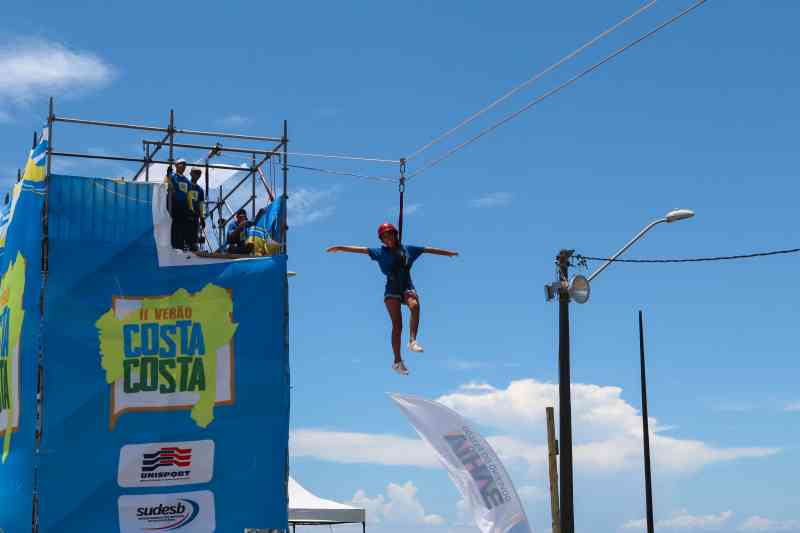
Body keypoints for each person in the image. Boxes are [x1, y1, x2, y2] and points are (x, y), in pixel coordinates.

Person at [326, 223, 458, 376]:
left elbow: (428, 249)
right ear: (381, 239)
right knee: (397, 325)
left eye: (390, 235)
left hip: (407, 285)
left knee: (414, 305)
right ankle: (397, 361)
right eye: (384, 236)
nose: (387, 238)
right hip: (392, 288)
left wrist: (448, 253)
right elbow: (361, 250)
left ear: (395, 235)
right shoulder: (379, 252)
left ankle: (412, 341)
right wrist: (341, 247)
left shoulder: (408, 249)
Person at [166, 159, 193, 250]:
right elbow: (167, 185)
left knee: (183, 227)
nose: (183, 166)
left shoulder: (187, 181)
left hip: (183, 206)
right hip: (174, 204)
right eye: (181, 164)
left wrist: (191, 208)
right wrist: (168, 175)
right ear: (176, 165)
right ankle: (173, 244)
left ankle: (181, 245)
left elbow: (189, 195)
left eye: (185, 165)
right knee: (174, 225)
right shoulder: (173, 177)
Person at [188, 168, 206, 251]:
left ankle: (193, 247)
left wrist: (202, 217)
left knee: (194, 235)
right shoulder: (186, 185)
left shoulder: (200, 190)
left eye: (199, 173)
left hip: (195, 217)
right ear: (191, 173)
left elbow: (201, 204)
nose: (197, 175)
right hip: (185, 215)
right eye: (195, 172)